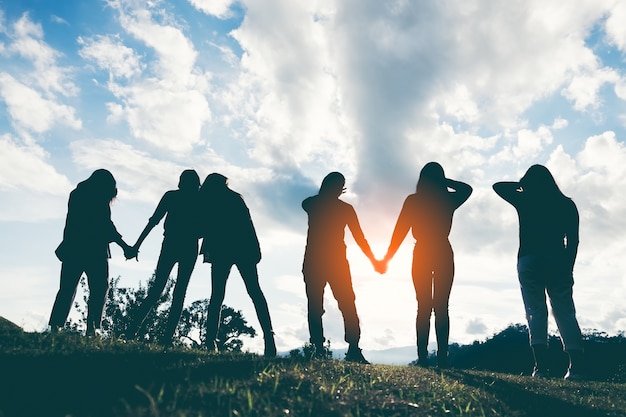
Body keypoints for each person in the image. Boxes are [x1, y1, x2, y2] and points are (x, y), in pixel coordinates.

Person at [493, 164, 584, 380]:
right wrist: (568, 267)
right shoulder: (566, 204)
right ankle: (576, 368)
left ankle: (541, 368)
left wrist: (523, 185)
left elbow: (498, 187)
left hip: (529, 260)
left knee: (535, 310)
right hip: (557, 260)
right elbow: (573, 240)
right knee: (564, 310)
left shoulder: (525, 199)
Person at [380, 162, 472, 368]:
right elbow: (466, 189)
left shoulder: (414, 201)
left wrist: (387, 257)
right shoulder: (448, 199)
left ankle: (423, 358)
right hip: (441, 251)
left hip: (421, 252)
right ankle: (441, 359)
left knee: (424, 307)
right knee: (441, 307)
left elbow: (400, 231)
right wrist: (443, 181)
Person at [302, 172, 379, 364]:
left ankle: (320, 349)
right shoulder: (345, 209)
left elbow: (308, 202)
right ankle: (351, 348)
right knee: (346, 304)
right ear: (340, 188)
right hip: (335, 262)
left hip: (316, 261)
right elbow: (360, 238)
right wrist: (374, 261)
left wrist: (374, 260)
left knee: (318, 306)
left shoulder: (312, 203)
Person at [199, 173, 276, 357]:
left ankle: (210, 341)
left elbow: (204, 227)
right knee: (254, 292)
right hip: (242, 250)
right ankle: (269, 338)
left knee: (217, 296)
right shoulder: (235, 199)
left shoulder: (210, 201)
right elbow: (248, 226)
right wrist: (256, 250)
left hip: (225, 251)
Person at [49, 169, 134, 336]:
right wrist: (125, 246)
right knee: (99, 288)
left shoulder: (77, 194)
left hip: (74, 248)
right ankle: (93, 327)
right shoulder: (97, 197)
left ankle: (56, 326)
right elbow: (105, 225)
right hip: (94, 250)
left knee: (67, 288)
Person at [127, 169, 201, 345]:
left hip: (173, 244)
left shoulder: (172, 197)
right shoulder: (198, 200)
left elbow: (153, 221)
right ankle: (165, 338)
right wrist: (136, 245)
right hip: (186, 245)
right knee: (177, 291)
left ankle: (133, 331)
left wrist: (137, 245)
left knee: (157, 290)